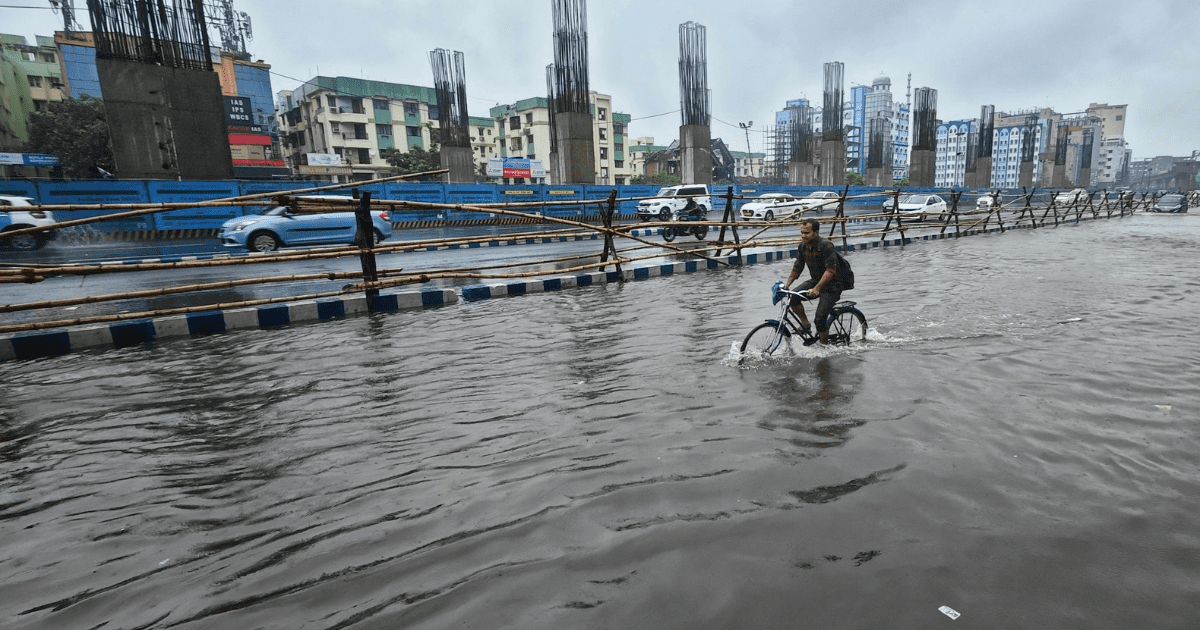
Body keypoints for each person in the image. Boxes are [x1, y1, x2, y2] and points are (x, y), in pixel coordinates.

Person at [782, 217, 845, 345]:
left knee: (820, 319)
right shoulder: (803, 247)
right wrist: (786, 285)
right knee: (793, 297)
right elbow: (797, 267)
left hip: (832, 285)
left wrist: (817, 289)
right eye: (802, 233)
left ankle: (824, 348)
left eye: (807, 233)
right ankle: (805, 325)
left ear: (815, 233)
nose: (803, 236)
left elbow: (830, 271)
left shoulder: (826, 245)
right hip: (815, 281)